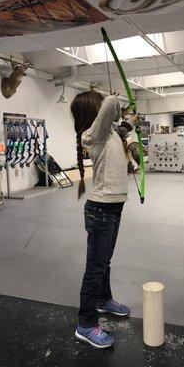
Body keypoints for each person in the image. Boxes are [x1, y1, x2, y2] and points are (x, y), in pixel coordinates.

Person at [70, 91, 139, 349]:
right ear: (95, 111)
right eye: (100, 106)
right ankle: (86, 325)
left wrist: (131, 121)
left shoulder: (110, 133)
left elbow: (124, 127)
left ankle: (104, 299)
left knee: (104, 262)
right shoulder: (93, 133)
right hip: (100, 210)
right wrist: (115, 98)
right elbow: (111, 105)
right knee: (95, 268)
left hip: (113, 207)